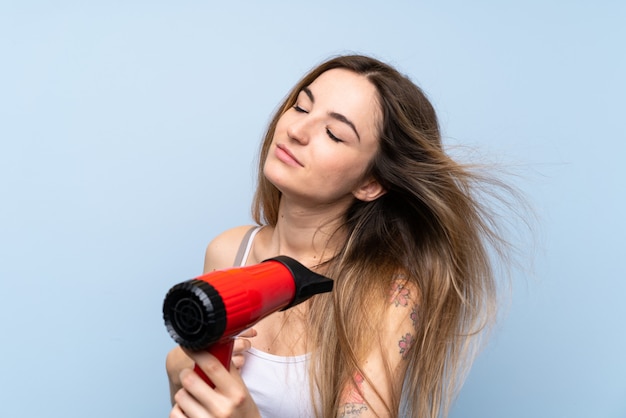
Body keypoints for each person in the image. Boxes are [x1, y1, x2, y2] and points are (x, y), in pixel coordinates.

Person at [166, 54, 518, 418]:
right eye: (302, 108)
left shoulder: (388, 296)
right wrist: (179, 374)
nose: (295, 131)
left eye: (334, 134)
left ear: (370, 183)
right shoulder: (228, 251)